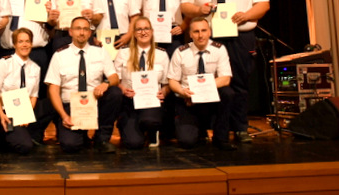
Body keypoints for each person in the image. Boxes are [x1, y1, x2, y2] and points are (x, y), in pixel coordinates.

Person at [181, 0, 269, 143]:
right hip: (208, 37)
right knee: (204, 82)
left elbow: (264, 3)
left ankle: (240, 128)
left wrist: (247, 15)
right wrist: (198, 10)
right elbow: (185, 6)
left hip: (240, 36)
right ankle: (205, 129)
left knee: (239, 84)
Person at [45, 16, 121, 153]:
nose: (82, 32)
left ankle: (101, 140)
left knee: (114, 93)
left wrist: (105, 83)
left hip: (95, 101)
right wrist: (64, 116)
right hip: (71, 106)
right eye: (78, 29)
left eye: (85, 29)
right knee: (70, 146)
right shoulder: (60, 55)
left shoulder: (100, 52)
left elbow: (115, 77)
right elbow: (53, 89)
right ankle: (81, 135)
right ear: (70, 32)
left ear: (90, 33)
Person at [168, 17, 235, 150]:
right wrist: (182, 92)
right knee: (187, 142)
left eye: (204, 30)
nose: (200, 35)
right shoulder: (180, 52)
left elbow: (225, 78)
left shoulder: (219, 49)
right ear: (190, 34)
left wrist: (199, 91)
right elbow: (172, 81)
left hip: (211, 100)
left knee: (227, 93)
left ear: (209, 32)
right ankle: (198, 131)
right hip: (187, 100)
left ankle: (221, 138)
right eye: (196, 31)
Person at [114, 16, 169, 149]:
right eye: (139, 29)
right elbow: (115, 80)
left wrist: (164, 93)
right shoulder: (123, 53)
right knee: (134, 144)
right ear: (133, 33)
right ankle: (126, 126)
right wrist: (123, 89)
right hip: (130, 102)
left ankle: (152, 130)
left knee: (150, 120)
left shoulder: (162, 54)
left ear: (151, 31)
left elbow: (167, 83)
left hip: (152, 103)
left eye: (146, 29)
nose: (143, 32)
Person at [0, 27, 40, 154]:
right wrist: (1, 114)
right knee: (24, 146)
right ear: (14, 44)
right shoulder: (3, 64)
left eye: (27, 41)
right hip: (4, 112)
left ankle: (17, 134)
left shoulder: (35, 68)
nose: (25, 45)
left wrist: (26, 115)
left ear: (31, 44)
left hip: (22, 111)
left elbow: (34, 96)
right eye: (20, 41)